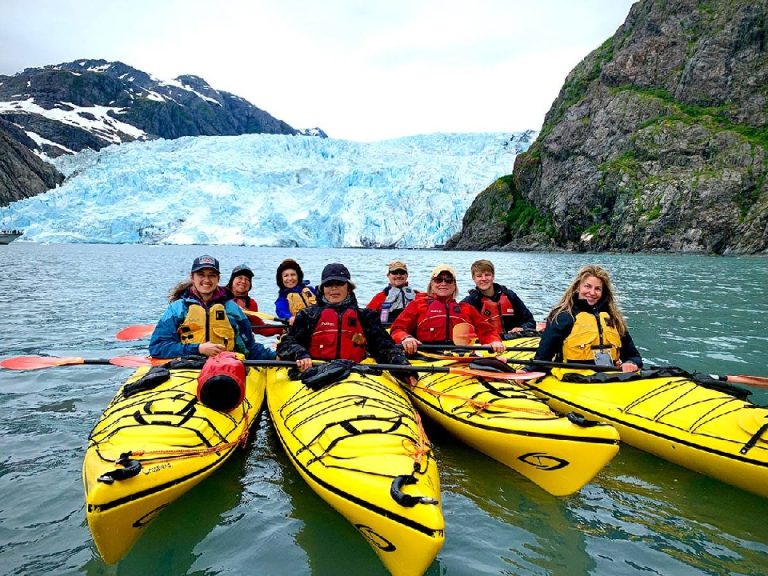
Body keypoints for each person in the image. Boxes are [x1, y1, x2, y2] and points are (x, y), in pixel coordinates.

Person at [277, 262, 411, 374]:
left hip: (355, 372)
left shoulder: (366, 316)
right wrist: (300, 354)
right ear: (323, 288)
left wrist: (405, 369)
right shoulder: (308, 315)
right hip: (317, 371)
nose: (334, 288)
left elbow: (385, 347)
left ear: (349, 288)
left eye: (339, 283)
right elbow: (287, 343)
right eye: (329, 284)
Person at [149, 255, 276, 360]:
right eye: (201, 274)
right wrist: (199, 349)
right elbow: (158, 347)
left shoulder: (232, 309)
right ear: (192, 277)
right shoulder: (177, 309)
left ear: (218, 279)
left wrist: (278, 357)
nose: (206, 279)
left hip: (226, 367)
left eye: (212, 275)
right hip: (187, 367)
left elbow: (250, 347)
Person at [533, 264, 642, 372]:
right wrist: (528, 370)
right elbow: (542, 358)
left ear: (603, 292)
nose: (592, 293)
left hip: (609, 378)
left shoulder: (613, 318)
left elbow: (633, 356)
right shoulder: (564, 317)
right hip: (574, 379)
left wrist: (631, 363)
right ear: (578, 287)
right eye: (587, 286)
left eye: (598, 289)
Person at [390, 264, 506, 355]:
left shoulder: (467, 309)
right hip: (426, 356)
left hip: (461, 357)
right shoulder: (417, 305)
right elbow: (397, 329)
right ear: (432, 284)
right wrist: (406, 338)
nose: (443, 283)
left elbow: (487, 331)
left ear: (454, 285)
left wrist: (494, 341)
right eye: (439, 280)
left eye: (449, 280)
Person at [462, 259, 536, 338]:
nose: (483, 279)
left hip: (512, 341)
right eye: (479, 276)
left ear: (493, 276)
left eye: (487, 275)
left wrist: (522, 328)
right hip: (486, 345)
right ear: (474, 278)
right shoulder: (469, 302)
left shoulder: (510, 296)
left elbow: (530, 321)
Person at [226, 264, 283, 337]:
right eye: (240, 278)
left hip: (242, 341)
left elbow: (259, 328)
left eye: (247, 279)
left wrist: (281, 329)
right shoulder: (219, 295)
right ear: (232, 280)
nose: (243, 281)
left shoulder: (251, 303)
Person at [275, 258, 317, 325]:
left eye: (293, 275)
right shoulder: (283, 298)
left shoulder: (310, 290)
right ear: (281, 279)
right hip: (297, 329)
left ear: (298, 276)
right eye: (286, 276)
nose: (290, 278)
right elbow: (281, 310)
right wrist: (290, 317)